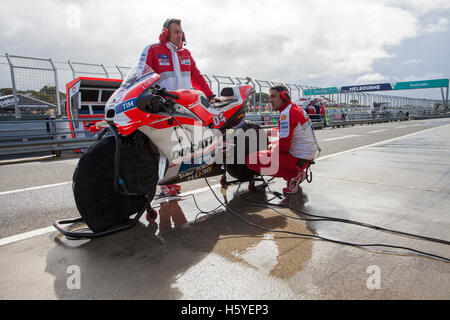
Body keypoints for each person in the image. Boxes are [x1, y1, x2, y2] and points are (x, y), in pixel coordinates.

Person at [137, 18, 219, 195]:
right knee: (163, 146)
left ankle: (171, 181)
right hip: (161, 106)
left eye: (181, 32)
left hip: (183, 107)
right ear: (165, 33)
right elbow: (141, 76)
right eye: (176, 32)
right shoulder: (153, 50)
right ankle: (164, 183)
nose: (179, 35)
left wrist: (211, 96)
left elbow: (197, 77)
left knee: (179, 145)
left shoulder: (186, 54)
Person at [246, 85, 319, 194]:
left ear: (284, 96)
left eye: (273, 96)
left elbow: (284, 146)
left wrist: (271, 147)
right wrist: (262, 133)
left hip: (298, 158)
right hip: (305, 157)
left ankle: (294, 175)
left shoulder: (287, 113)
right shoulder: (294, 108)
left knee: (251, 160)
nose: (270, 100)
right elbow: (282, 131)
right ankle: (297, 172)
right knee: (271, 145)